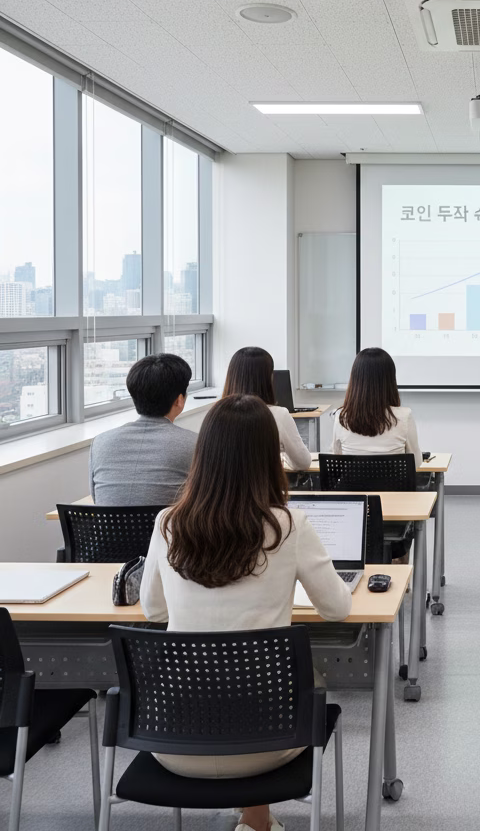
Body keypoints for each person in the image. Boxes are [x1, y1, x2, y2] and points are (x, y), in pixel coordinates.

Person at [141, 394, 351, 831]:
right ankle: (256, 819)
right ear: (266, 459)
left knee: (219, 677)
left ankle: (256, 820)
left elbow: (152, 609)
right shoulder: (289, 525)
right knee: (291, 681)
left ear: (204, 454)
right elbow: (337, 609)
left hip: (173, 738)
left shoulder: (167, 523)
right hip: (271, 739)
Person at [89, 353, 197, 506]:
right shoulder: (195, 443)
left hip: (111, 529)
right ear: (179, 400)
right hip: (168, 530)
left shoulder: (100, 442)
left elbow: (98, 499)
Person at [223, 346, 311, 472]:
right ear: (267, 379)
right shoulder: (278, 415)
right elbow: (303, 462)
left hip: (225, 491)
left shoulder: (216, 414)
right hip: (265, 490)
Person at [331, 347, 421, 459]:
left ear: (355, 380)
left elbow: (336, 458)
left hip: (354, 477)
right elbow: (416, 463)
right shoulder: (404, 416)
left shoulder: (341, 416)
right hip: (392, 477)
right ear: (390, 381)